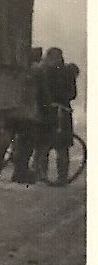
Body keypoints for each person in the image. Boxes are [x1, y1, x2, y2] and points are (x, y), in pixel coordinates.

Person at [32, 47, 80, 186]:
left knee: (49, 146)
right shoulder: (64, 72)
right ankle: (54, 176)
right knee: (49, 146)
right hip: (56, 112)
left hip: (53, 112)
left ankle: (46, 175)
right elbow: (72, 93)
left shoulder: (45, 71)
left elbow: (71, 93)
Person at [10, 47, 44, 184]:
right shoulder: (38, 71)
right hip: (29, 113)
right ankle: (21, 172)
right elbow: (42, 93)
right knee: (26, 144)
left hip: (14, 111)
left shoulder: (20, 70)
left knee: (14, 143)